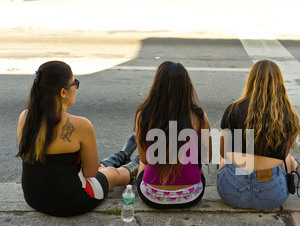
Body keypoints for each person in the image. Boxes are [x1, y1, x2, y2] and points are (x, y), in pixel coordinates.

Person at [17, 61, 138, 217]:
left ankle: (122, 155)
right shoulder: (80, 125)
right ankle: (137, 163)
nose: (76, 87)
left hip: (34, 198)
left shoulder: (25, 117)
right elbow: (91, 172)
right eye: (75, 83)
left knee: (94, 168)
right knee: (113, 173)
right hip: (71, 202)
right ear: (63, 92)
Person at [217, 59, 300, 210]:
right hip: (271, 196)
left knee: (223, 158)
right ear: (280, 83)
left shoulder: (233, 109)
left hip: (231, 192)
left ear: (251, 80)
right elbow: (283, 154)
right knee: (289, 159)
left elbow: (223, 152)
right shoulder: (288, 114)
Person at [134, 61, 212, 209]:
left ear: (157, 87)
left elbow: (145, 158)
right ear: (186, 87)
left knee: (141, 163)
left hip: (153, 196)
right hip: (191, 196)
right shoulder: (199, 116)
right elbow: (206, 156)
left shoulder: (144, 115)